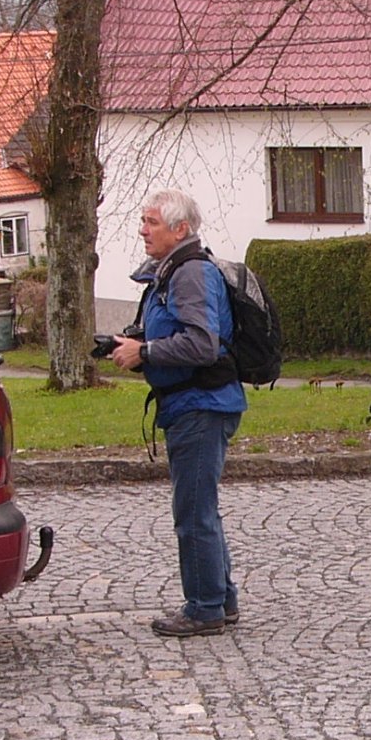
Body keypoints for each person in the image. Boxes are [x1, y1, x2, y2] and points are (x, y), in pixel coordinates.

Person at [111, 191, 246, 637]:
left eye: (151, 222)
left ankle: (204, 608)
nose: (142, 230)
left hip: (201, 406)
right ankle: (220, 599)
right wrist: (134, 343)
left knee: (193, 512)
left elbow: (202, 345)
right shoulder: (175, 272)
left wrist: (145, 350)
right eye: (143, 221)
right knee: (201, 507)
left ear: (180, 230)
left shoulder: (189, 274)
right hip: (194, 404)